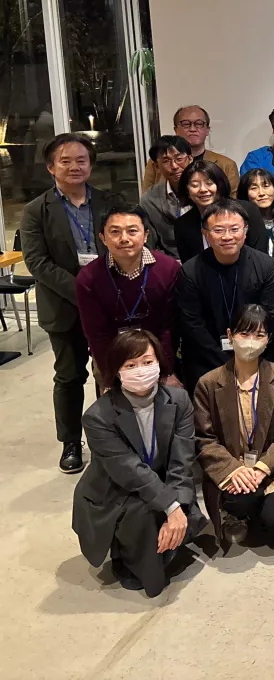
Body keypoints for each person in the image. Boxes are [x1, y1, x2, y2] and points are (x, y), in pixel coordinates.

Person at [72, 329, 206, 597]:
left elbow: (182, 460)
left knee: (181, 511)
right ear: (116, 371)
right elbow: (129, 470)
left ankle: (158, 546)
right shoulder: (97, 417)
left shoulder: (179, 400)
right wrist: (171, 507)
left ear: (159, 362)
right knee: (145, 527)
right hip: (116, 490)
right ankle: (127, 553)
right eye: (130, 365)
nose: (141, 370)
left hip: (158, 479)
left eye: (147, 361)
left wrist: (177, 505)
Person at [21, 133, 125, 473]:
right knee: (69, 375)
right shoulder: (36, 211)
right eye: (65, 161)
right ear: (51, 167)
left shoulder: (110, 202)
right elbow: (37, 263)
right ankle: (70, 442)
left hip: (110, 302)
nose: (74, 167)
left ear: (90, 165)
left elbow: (125, 244)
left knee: (110, 372)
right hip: (64, 306)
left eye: (81, 160)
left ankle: (110, 439)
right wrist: (84, 292)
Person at [193, 303, 274, 548]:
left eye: (259, 335)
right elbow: (205, 440)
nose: (251, 341)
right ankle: (241, 511)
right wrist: (235, 469)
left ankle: (261, 511)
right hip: (233, 468)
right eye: (244, 333)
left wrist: (261, 469)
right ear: (230, 336)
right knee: (241, 501)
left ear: (268, 339)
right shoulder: (208, 383)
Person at [175, 200, 274, 390]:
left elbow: (270, 315)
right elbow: (192, 324)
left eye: (234, 229)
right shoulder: (190, 271)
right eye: (218, 230)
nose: (227, 237)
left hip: (256, 352)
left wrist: (247, 355)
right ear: (205, 234)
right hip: (206, 357)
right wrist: (226, 363)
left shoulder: (266, 266)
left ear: (245, 231)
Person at [76, 205, 181, 387]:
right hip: (111, 357)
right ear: (103, 238)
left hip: (158, 355)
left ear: (146, 235)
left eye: (132, 231)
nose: (124, 238)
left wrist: (166, 371)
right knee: (115, 404)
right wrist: (111, 378)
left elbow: (168, 328)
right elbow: (97, 335)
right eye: (115, 232)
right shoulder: (88, 278)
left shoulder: (169, 269)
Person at [175, 160, 271, 264]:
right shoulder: (182, 225)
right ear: (187, 191)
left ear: (220, 185)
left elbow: (261, 257)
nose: (203, 189)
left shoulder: (248, 211)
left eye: (209, 183)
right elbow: (189, 266)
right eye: (195, 185)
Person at [141, 105, 239, 192]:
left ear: (207, 130)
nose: (192, 129)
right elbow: (147, 199)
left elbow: (233, 203)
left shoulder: (227, 165)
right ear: (176, 129)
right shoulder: (157, 162)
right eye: (186, 124)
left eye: (199, 123)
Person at [139, 134, 193, 258]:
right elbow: (150, 244)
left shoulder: (206, 191)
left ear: (190, 159)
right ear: (156, 166)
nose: (174, 166)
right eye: (166, 161)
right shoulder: (150, 200)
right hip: (171, 262)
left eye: (179, 159)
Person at [237, 168, 274, 253]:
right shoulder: (239, 225)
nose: (261, 193)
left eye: (266, 186)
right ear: (245, 194)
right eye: (254, 188)